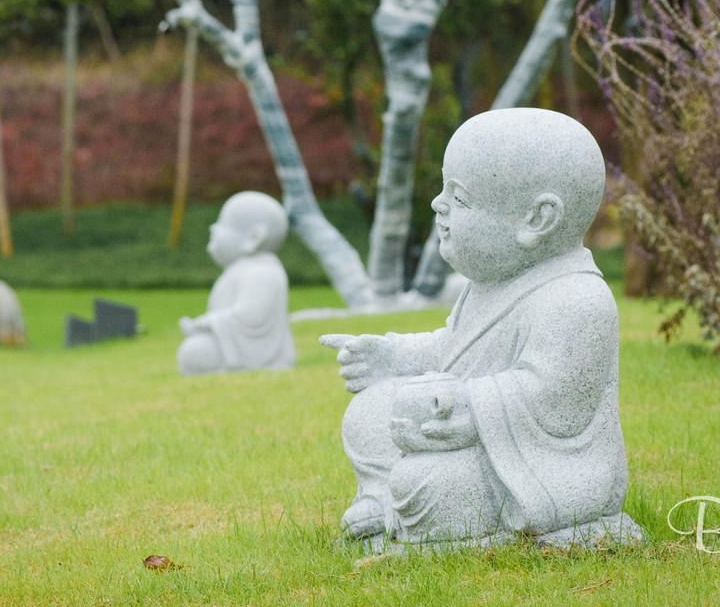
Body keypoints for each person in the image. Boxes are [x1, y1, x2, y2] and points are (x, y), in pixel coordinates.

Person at [320, 108, 637, 548]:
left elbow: (556, 401)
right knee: (370, 411)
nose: (438, 204)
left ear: (538, 220)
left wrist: (466, 407)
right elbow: (454, 347)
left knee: (428, 482)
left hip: (542, 466)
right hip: (468, 432)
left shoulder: (577, 299)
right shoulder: (486, 285)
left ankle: (412, 510)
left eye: (460, 197)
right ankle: (380, 498)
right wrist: (394, 357)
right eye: (443, 189)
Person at [178, 191, 294, 375]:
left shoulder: (262, 272)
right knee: (194, 349)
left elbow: (252, 317)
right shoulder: (241, 270)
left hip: (254, 351)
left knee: (196, 352)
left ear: (254, 238)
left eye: (223, 224)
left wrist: (207, 323)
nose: (213, 228)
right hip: (229, 342)